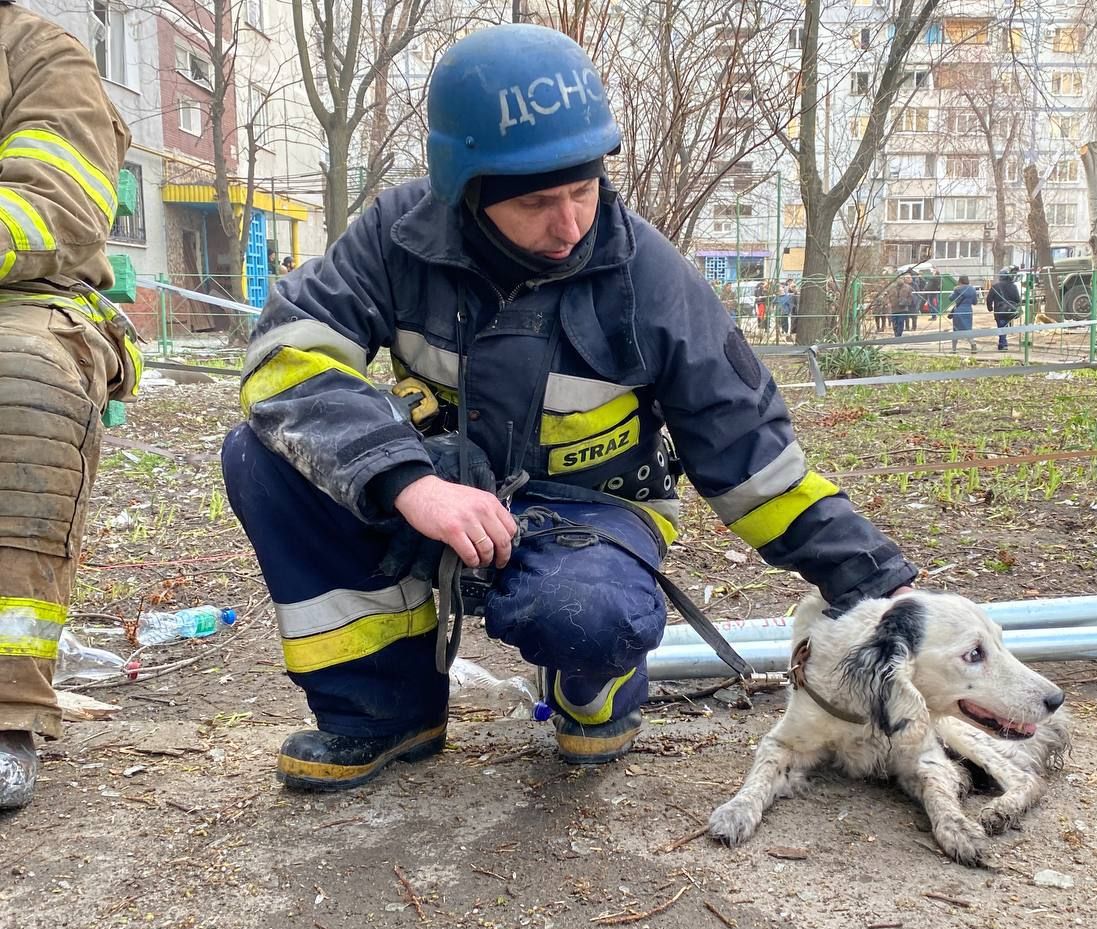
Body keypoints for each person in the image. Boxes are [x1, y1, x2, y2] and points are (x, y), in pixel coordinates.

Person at [220, 24, 917, 792]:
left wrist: (875, 579)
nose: (570, 225)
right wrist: (407, 482)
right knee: (259, 455)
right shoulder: (396, 237)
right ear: (465, 192)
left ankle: (596, 687)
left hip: (596, 516)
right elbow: (288, 360)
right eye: (537, 202)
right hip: (442, 491)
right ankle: (384, 712)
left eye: (583, 190)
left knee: (588, 617)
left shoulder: (649, 278)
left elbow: (752, 457)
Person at [0, 0, 137, 809]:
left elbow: (57, 199)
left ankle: (6, 702)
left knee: (23, 384)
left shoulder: (38, 54)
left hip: (26, 298)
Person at [986, 268, 1021, 351]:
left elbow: (989, 299)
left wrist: (990, 308)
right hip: (1011, 311)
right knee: (1005, 326)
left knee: (1001, 327)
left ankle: (1003, 344)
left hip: (1000, 311)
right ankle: (1002, 343)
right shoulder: (1013, 286)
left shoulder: (995, 287)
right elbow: (1018, 299)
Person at [947, 275, 980, 353]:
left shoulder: (957, 289)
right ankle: (973, 343)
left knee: (956, 330)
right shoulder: (972, 289)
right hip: (968, 311)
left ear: (960, 281)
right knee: (968, 329)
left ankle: (954, 349)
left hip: (959, 311)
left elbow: (951, 298)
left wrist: (954, 291)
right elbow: (975, 302)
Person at [890, 272, 915, 338]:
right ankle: (896, 334)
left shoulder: (907, 287)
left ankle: (899, 335)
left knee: (900, 322)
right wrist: (889, 303)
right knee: (894, 323)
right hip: (894, 307)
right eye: (899, 278)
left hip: (903, 308)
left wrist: (907, 302)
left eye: (901, 278)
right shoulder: (892, 287)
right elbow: (888, 296)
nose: (900, 279)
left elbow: (910, 297)